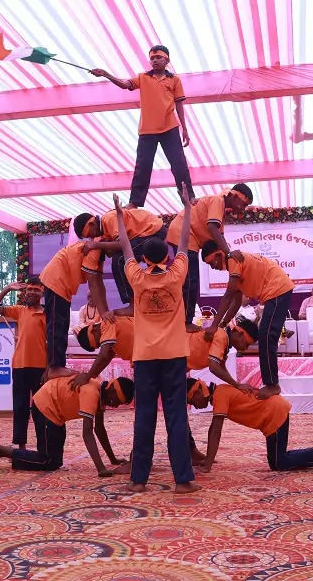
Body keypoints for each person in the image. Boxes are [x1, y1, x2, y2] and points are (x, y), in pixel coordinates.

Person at [110, 191, 199, 494]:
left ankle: (138, 480)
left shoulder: (136, 277)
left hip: (145, 357)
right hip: (174, 355)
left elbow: (125, 246)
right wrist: (187, 209)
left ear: (144, 259)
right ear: (167, 257)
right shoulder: (176, 274)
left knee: (144, 417)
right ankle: (183, 480)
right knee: (177, 417)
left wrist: (120, 215)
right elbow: (184, 241)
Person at [90, 45, 192, 208]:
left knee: (179, 164)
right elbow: (125, 85)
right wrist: (106, 74)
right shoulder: (143, 77)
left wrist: (184, 128)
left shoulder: (174, 80)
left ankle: (189, 198)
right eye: (152, 58)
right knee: (143, 167)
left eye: (158, 57)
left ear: (167, 60)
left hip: (170, 127)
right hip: (147, 130)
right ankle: (135, 202)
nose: (154, 60)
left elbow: (179, 104)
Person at [0, 376, 133, 476]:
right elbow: (87, 433)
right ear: (112, 390)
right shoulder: (91, 393)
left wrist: (112, 459)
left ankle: (6, 453)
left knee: (55, 461)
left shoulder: (101, 394)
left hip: (56, 413)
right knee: (49, 461)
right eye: (117, 401)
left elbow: (99, 429)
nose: (116, 405)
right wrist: (101, 469)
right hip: (46, 407)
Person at [188, 377, 313, 473]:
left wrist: (207, 466)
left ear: (198, 391)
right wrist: (208, 459)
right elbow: (213, 430)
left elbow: (216, 431)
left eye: (192, 401)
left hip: (274, 413)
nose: (194, 405)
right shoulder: (220, 391)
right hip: (274, 412)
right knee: (278, 459)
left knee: (278, 463)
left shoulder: (219, 395)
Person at [201, 243, 295, 401]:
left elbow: (228, 296)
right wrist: (223, 324)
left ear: (218, 255)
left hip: (277, 289)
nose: (213, 268)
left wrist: (214, 325)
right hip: (276, 290)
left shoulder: (233, 260)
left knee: (267, 336)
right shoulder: (235, 268)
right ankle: (271, 383)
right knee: (265, 335)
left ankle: (272, 384)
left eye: (211, 263)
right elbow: (236, 302)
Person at [165, 185, 253, 324]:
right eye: (244, 204)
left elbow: (219, 237)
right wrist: (229, 253)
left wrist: (229, 256)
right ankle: (186, 322)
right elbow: (212, 228)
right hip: (183, 234)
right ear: (235, 196)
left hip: (188, 238)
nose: (243, 209)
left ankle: (185, 319)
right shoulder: (218, 201)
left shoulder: (221, 209)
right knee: (190, 279)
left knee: (190, 279)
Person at [39, 232, 111, 380]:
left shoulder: (99, 252)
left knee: (62, 326)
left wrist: (105, 312)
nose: (114, 253)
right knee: (57, 325)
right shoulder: (94, 249)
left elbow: (99, 283)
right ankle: (55, 367)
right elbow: (94, 284)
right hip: (56, 280)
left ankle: (56, 366)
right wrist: (104, 313)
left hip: (64, 286)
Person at [0, 277, 47, 450]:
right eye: (29, 289)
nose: (32, 292)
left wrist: (49, 368)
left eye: (36, 290)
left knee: (40, 408)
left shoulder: (47, 314)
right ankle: (21, 447)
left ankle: (43, 447)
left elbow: (52, 342)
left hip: (41, 367)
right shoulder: (19, 310)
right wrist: (7, 289)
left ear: (42, 293)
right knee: (20, 407)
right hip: (19, 365)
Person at [73, 204, 164, 304]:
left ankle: (132, 302)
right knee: (118, 258)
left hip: (152, 229)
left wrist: (96, 245)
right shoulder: (104, 228)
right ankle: (133, 299)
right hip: (146, 231)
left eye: (89, 234)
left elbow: (122, 244)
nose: (91, 238)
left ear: (92, 224)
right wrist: (103, 246)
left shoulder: (109, 219)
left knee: (119, 260)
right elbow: (111, 253)